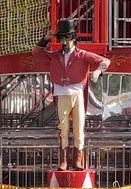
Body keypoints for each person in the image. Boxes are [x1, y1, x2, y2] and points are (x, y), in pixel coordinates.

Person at [34, 18, 110, 171]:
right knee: (62, 128)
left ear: (73, 39)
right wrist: (47, 38)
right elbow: (36, 52)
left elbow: (105, 61)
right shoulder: (55, 56)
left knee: (79, 128)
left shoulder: (82, 55)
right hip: (61, 93)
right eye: (62, 38)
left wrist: (97, 72)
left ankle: (78, 160)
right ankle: (63, 161)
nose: (64, 41)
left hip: (77, 94)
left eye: (67, 38)